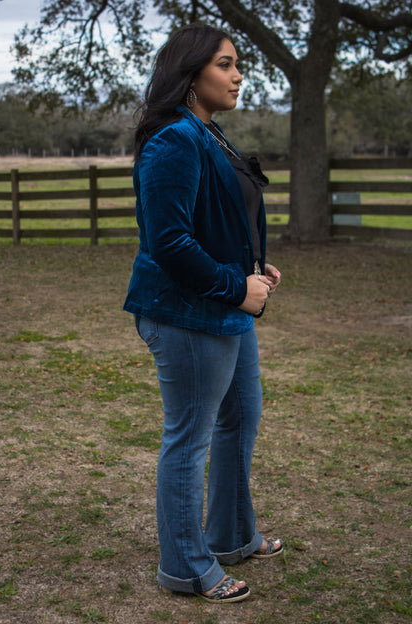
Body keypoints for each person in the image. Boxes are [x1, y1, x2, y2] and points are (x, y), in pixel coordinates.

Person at [124, 23, 282, 603]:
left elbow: (221, 219)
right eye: (225, 63)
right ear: (190, 73)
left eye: (238, 63)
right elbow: (168, 241)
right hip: (185, 311)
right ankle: (187, 566)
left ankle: (231, 535)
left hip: (226, 305)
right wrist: (234, 287)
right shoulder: (173, 139)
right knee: (189, 439)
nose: (238, 74)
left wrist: (254, 267)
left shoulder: (211, 136)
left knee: (240, 417)